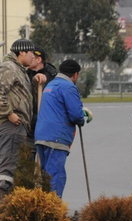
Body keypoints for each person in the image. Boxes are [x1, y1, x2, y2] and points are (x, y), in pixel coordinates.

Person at [0, 38, 38, 203]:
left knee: (14, 165)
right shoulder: (9, 68)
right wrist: (9, 113)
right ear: (22, 52)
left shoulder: (19, 69)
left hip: (18, 125)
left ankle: (9, 206)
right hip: (11, 125)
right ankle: (2, 207)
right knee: (8, 165)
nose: (33, 57)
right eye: (31, 53)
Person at [34, 59, 92, 197]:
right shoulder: (68, 86)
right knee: (56, 175)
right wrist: (82, 118)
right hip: (57, 137)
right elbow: (75, 114)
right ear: (75, 74)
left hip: (41, 135)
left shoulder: (51, 84)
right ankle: (53, 209)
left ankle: (43, 207)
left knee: (45, 176)